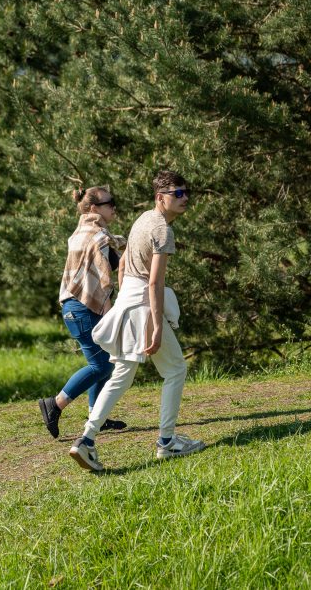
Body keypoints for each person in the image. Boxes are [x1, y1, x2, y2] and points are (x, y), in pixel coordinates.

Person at [69, 170, 205, 471]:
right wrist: (156, 325)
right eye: (177, 194)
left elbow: (122, 268)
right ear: (161, 197)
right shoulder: (163, 231)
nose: (185, 199)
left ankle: (86, 439)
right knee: (175, 370)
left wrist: (124, 305)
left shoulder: (143, 219)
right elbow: (155, 283)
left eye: (186, 192)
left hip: (129, 302)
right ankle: (167, 442)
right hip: (142, 304)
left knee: (122, 374)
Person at [37, 186, 128, 438]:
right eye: (110, 203)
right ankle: (55, 404)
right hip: (82, 308)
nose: (114, 207)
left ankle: (95, 416)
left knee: (105, 363)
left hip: (75, 306)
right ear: (93, 208)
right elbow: (102, 279)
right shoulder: (96, 236)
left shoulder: (86, 232)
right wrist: (111, 311)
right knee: (99, 365)